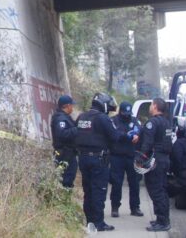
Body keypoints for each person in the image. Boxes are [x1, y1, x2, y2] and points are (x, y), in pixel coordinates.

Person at [75, 92, 126, 232]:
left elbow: (76, 135)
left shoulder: (81, 116)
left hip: (83, 158)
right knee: (98, 190)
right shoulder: (102, 118)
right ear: (103, 105)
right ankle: (98, 223)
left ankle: (89, 221)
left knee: (88, 190)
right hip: (98, 159)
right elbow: (115, 136)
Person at [139, 97, 173, 232]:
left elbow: (147, 143)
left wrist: (141, 158)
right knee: (162, 190)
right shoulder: (166, 122)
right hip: (164, 159)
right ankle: (162, 219)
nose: (150, 107)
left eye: (151, 104)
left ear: (155, 106)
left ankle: (162, 221)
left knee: (155, 190)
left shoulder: (152, 123)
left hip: (155, 160)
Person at [109, 101, 144, 218]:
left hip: (131, 156)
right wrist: (127, 135)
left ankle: (135, 207)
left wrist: (136, 134)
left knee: (134, 183)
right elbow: (114, 134)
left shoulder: (134, 120)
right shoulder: (113, 120)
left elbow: (140, 129)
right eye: (125, 113)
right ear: (120, 112)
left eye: (128, 113)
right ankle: (115, 207)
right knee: (116, 183)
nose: (126, 115)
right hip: (116, 156)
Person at [51, 94, 78, 188]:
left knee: (69, 177)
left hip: (69, 153)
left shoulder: (66, 117)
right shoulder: (60, 119)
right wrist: (76, 130)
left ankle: (66, 197)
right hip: (63, 154)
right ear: (67, 106)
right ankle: (64, 197)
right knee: (66, 179)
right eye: (71, 105)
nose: (72, 107)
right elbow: (62, 134)